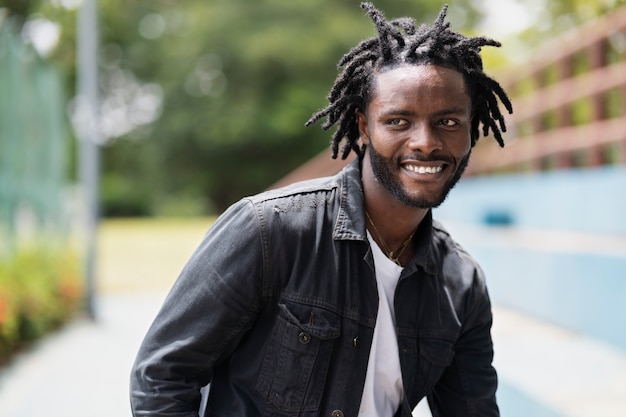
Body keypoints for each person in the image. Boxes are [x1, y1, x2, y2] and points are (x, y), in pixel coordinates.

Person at [130, 2, 513, 416]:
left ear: (473, 129)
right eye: (399, 121)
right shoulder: (269, 231)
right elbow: (162, 377)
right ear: (364, 127)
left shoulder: (461, 283)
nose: (425, 142)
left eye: (448, 122)